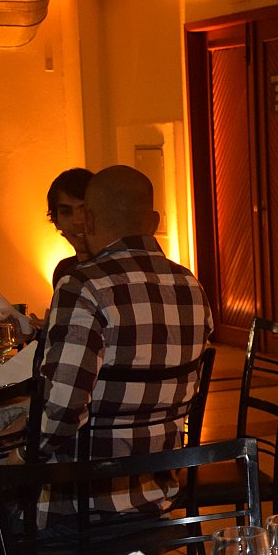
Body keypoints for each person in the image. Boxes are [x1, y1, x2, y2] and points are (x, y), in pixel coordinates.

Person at [35, 164, 212, 514]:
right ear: (155, 221)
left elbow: (63, 408)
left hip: (82, 502)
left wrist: (20, 453)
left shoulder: (82, 286)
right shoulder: (191, 286)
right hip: (158, 492)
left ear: (89, 219)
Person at [46, 167, 94, 289]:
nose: (77, 220)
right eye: (66, 212)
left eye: (84, 209)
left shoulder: (121, 266)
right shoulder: (64, 271)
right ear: (56, 221)